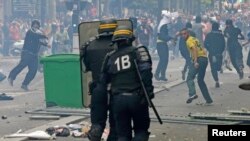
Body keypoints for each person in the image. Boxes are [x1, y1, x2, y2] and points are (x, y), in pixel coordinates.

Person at [101, 25, 154, 141]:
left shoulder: (110, 57)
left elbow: (104, 80)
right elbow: (146, 73)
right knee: (141, 131)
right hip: (137, 98)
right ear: (130, 39)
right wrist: (148, 93)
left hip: (118, 100)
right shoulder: (139, 51)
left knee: (123, 135)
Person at [80, 19, 118, 141]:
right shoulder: (120, 45)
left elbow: (86, 68)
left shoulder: (89, 45)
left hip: (98, 88)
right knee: (116, 125)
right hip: (117, 90)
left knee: (97, 125)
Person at [8, 20, 49, 91]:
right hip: (27, 53)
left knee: (33, 70)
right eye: (35, 25)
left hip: (34, 55)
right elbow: (38, 35)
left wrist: (46, 41)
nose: (36, 26)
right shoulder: (31, 31)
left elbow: (44, 41)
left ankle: (24, 84)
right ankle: (11, 76)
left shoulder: (39, 34)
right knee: (22, 65)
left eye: (37, 25)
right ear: (32, 25)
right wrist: (44, 35)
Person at [180, 28, 213, 105]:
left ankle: (192, 94)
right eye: (182, 34)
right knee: (200, 80)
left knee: (189, 78)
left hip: (199, 60)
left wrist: (195, 61)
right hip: (204, 59)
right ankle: (208, 100)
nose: (183, 36)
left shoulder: (189, 41)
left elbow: (194, 49)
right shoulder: (195, 39)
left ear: (188, 34)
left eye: (184, 34)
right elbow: (203, 49)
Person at [204, 22, 225, 88]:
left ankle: (216, 80)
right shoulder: (221, 35)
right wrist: (221, 51)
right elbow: (223, 44)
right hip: (219, 54)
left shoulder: (209, 35)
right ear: (218, 27)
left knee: (213, 68)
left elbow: (205, 44)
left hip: (212, 54)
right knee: (218, 67)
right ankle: (217, 80)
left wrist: (209, 49)